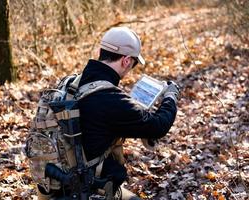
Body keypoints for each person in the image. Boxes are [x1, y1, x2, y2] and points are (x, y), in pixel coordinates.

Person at [77, 26, 180, 199]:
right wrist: (171, 97)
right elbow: (158, 126)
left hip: (53, 179)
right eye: (133, 63)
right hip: (86, 185)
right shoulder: (110, 99)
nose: (131, 68)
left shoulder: (75, 81)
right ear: (125, 60)